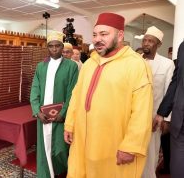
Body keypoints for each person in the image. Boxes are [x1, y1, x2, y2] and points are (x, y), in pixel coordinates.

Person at [64, 12, 153, 178]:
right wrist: (69, 124)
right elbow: (76, 96)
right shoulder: (90, 63)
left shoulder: (136, 65)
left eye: (104, 34)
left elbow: (142, 111)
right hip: (83, 140)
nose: (98, 39)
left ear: (120, 35)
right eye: (95, 34)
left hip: (113, 145)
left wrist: (131, 146)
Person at [30, 31, 79, 178]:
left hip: (61, 117)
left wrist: (63, 114)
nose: (54, 49)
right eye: (51, 46)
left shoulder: (71, 66)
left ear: (62, 46)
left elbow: (73, 93)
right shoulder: (41, 67)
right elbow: (35, 89)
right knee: (44, 147)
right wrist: (37, 111)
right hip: (43, 115)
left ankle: (62, 173)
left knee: (61, 149)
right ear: (47, 47)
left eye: (57, 46)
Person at [140, 26, 175, 178]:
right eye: (145, 40)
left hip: (153, 117)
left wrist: (166, 119)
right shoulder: (134, 61)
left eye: (150, 41)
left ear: (158, 44)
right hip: (131, 116)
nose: (146, 43)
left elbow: (169, 93)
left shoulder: (167, 64)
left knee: (151, 153)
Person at [155, 40, 184, 177]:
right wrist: (162, 113)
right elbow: (176, 81)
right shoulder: (183, 46)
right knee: (177, 168)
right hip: (181, 122)